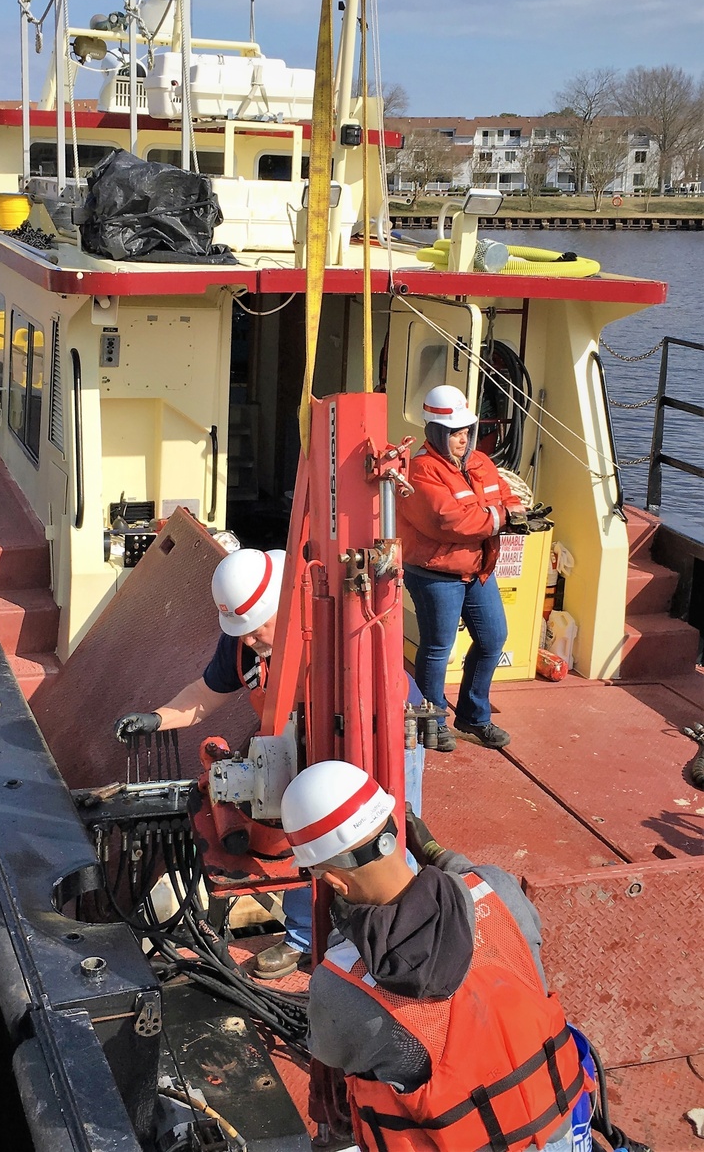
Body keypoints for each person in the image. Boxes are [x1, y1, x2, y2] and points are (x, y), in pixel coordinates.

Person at [282, 760, 594, 1151]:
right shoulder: (498, 890)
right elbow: (470, 883)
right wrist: (435, 852)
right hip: (557, 1127)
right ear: (394, 832)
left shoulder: (342, 983)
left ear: (332, 881)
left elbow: (325, 1048)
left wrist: (343, 935)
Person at [114, 548, 312, 980]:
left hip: (371, 733)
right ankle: (305, 939)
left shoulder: (327, 635)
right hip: (293, 742)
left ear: (282, 604)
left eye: (254, 626)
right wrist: (159, 718)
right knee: (302, 838)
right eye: (239, 630)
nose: (248, 638)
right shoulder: (244, 645)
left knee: (368, 838)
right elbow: (205, 695)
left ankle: (382, 943)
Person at [397, 383, 525, 751]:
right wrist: (502, 517)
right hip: (435, 574)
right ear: (437, 432)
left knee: (492, 639)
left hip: (477, 568)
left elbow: (504, 493)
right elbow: (448, 520)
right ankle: (432, 721)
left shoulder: (480, 462)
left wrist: (513, 510)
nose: (463, 438)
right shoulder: (421, 471)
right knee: (438, 646)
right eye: (456, 432)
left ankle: (472, 717)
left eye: (467, 431)